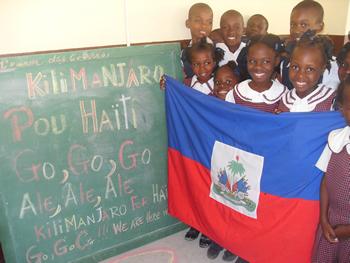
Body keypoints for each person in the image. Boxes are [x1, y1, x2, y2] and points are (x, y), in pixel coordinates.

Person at [311, 77, 350, 262]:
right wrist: (323, 218)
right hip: (330, 221)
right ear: (342, 108)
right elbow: (326, 181)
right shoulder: (336, 139)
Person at [280, 0, 339, 90]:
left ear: (320, 26)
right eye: (293, 24)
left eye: (304, 24)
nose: (296, 30)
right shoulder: (286, 62)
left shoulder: (332, 65)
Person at [225, 34, 287, 113]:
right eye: (252, 61)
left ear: (276, 61)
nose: (258, 67)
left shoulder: (284, 95)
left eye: (266, 61)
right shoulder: (236, 93)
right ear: (247, 59)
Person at [278, 35, 336, 112]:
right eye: (295, 67)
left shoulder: (332, 100)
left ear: (322, 69)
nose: (300, 75)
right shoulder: (285, 100)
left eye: (309, 69)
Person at [182, 3, 213, 79]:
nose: (204, 25)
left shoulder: (217, 48)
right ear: (188, 23)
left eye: (209, 22)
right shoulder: (184, 53)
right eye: (198, 20)